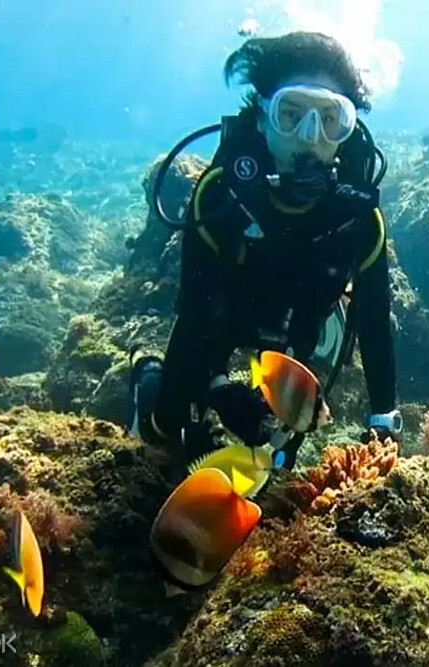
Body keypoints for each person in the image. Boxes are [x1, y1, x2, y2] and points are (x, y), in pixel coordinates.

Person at [129, 31, 401, 469]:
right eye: (291, 115)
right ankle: (146, 377)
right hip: (221, 322)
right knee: (168, 430)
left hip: (301, 337)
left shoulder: (360, 222)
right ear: (261, 118)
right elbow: (196, 312)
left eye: (330, 119)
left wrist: (384, 418)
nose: (310, 138)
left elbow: (374, 324)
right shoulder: (221, 197)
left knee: (274, 464)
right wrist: (218, 386)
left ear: (346, 134)